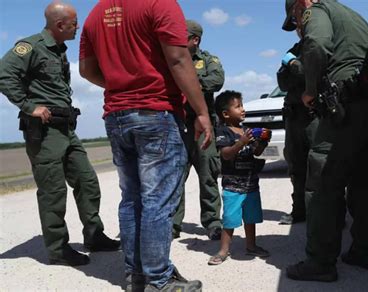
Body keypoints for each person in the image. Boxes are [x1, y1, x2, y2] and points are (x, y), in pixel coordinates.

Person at [79, 0, 212, 291]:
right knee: (157, 201)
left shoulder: (94, 14)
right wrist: (201, 111)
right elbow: (178, 58)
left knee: (132, 199)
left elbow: (87, 70)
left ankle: (136, 275)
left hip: (116, 117)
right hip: (156, 114)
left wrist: (121, 86)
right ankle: (158, 280)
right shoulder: (160, 4)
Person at [0, 1, 120, 267]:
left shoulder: (59, 51)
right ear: (59, 24)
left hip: (65, 129)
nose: (77, 26)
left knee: (87, 181)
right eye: (74, 22)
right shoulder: (30, 47)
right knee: (53, 191)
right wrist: (29, 106)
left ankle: (94, 236)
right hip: (43, 133)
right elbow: (4, 74)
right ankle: (57, 249)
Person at [281, 0, 368, 282]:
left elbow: (317, 44)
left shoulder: (317, 11)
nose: (297, 27)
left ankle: (319, 262)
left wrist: (310, 89)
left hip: (345, 106)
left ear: (301, 4)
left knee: (321, 183)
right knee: (365, 178)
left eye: (295, 19)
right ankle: (366, 251)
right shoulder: (352, 15)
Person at [172, 20, 224, 240]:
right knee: (174, 178)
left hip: (203, 126)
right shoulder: (170, 59)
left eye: (182, 37)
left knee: (208, 175)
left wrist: (187, 82)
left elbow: (216, 80)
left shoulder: (208, 60)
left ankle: (212, 222)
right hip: (178, 125)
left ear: (195, 40)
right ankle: (172, 224)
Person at [207, 90, 271, 266]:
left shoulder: (246, 130)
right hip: (232, 186)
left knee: (250, 218)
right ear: (226, 114)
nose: (242, 109)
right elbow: (226, 154)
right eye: (238, 106)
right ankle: (223, 251)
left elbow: (256, 152)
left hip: (251, 183)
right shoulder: (223, 131)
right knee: (230, 219)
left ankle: (251, 245)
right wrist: (241, 142)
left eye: (242, 105)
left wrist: (263, 142)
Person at [277, 36, 314, 225]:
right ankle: (299, 210)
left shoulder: (319, 43)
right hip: (294, 117)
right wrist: (294, 65)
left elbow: (309, 74)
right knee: (296, 166)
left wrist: (293, 64)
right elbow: (282, 82)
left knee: (321, 166)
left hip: (315, 115)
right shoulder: (295, 48)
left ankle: (329, 213)